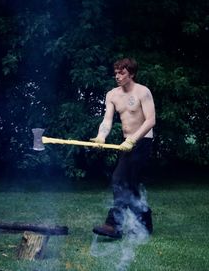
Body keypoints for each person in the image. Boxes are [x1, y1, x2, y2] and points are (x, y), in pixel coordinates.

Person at [90, 58, 156, 239]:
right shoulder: (112, 95)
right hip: (126, 143)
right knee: (130, 185)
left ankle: (113, 226)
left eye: (122, 73)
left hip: (142, 142)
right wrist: (101, 136)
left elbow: (151, 120)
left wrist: (133, 140)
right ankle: (145, 221)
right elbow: (107, 120)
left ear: (131, 74)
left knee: (119, 179)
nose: (117, 76)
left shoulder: (143, 92)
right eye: (116, 73)